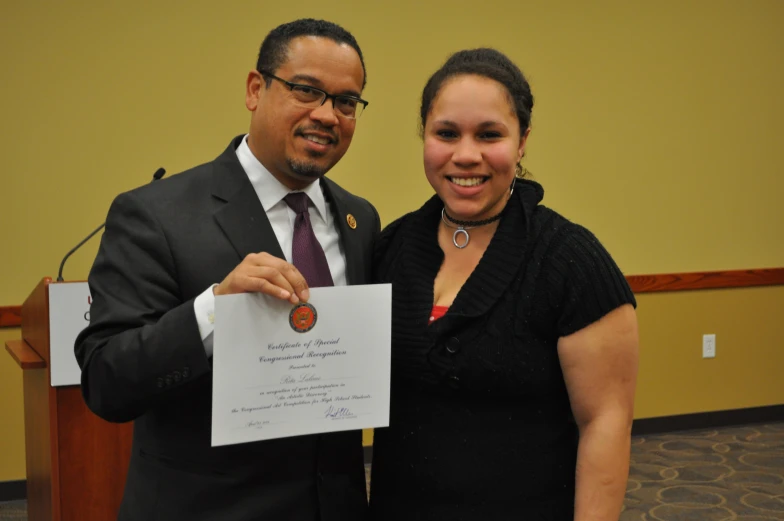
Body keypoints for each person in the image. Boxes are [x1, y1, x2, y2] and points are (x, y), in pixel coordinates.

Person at [75, 18, 378, 521]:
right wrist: (214, 312)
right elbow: (107, 382)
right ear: (256, 89)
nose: (328, 115)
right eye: (306, 90)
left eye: (346, 101)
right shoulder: (155, 214)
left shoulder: (360, 218)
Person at [368, 48, 639, 520]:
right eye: (446, 133)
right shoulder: (391, 246)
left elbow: (605, 422)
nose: (466, 154)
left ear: (522, 140)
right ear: (424, 136)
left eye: (489, 134)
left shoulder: (570, 260)